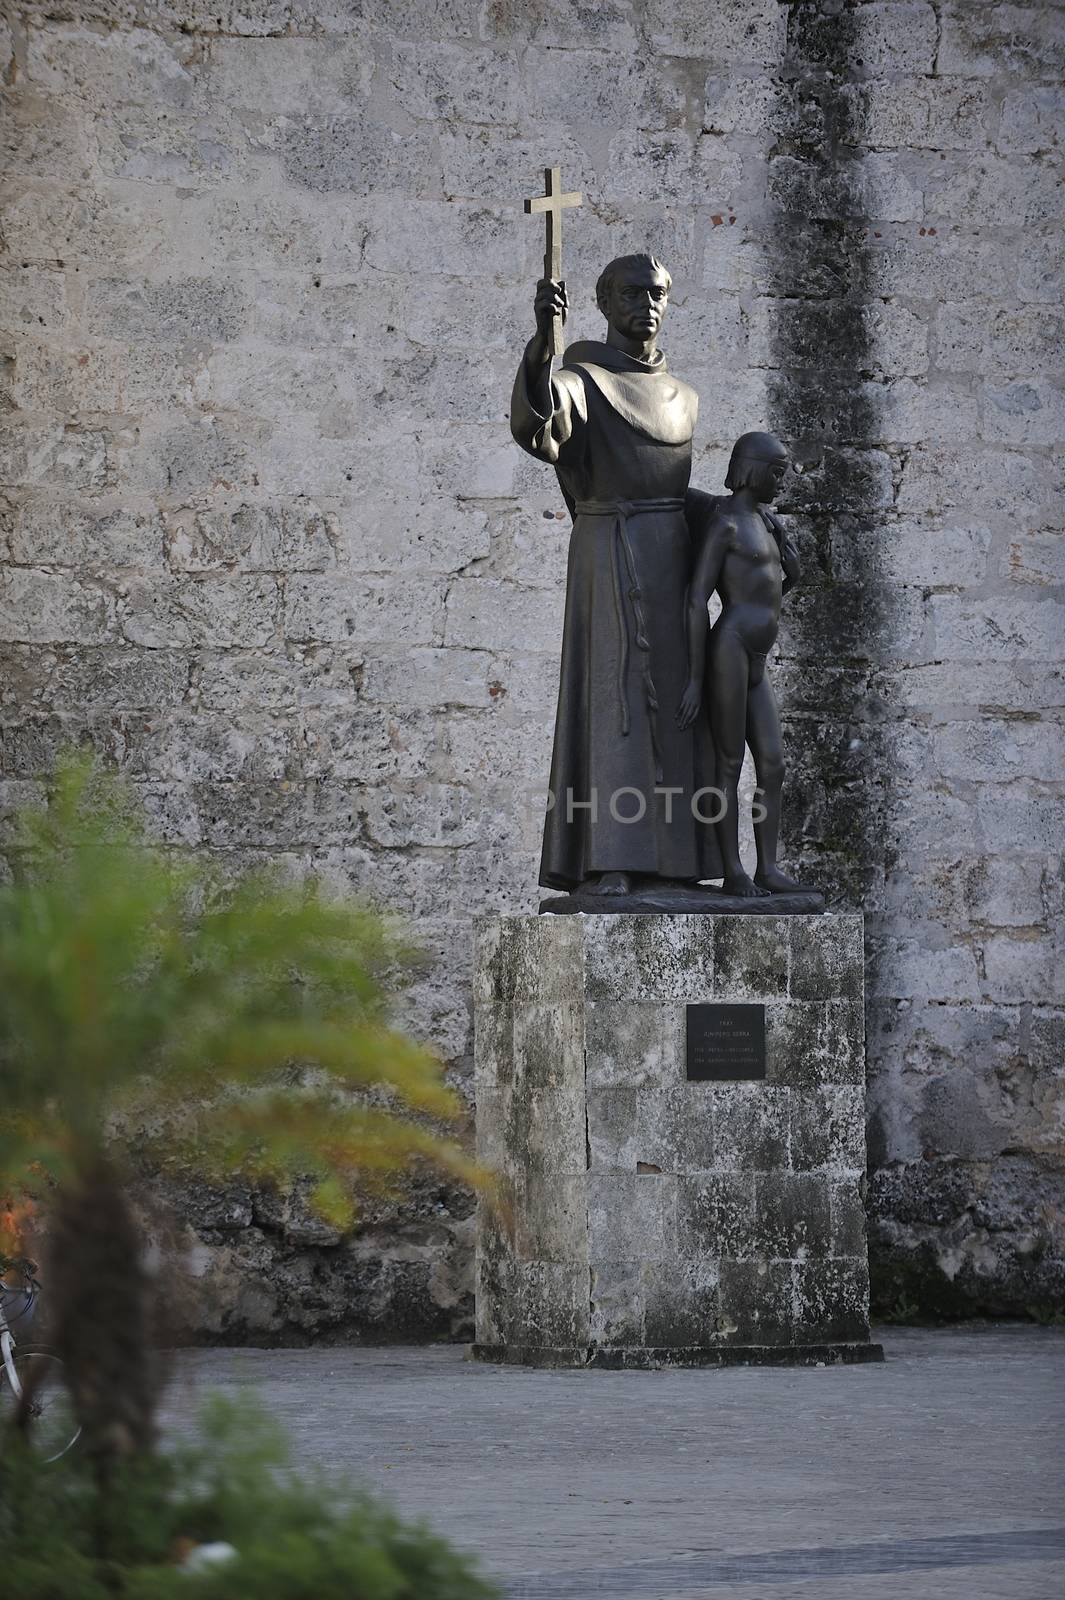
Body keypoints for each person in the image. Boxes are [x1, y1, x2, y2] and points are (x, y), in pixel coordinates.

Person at [511, 255, 721, 897]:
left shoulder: (685, 396)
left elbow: (676, 490)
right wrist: (544, 348)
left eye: (656, 292)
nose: (646, 304)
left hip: (674, 563)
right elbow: (544, 423)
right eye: (632, 293)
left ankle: (683, 863)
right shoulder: (585, 377)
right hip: (610, 554)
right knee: (615, 704)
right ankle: (612, 857)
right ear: (605, 303)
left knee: (681, 710)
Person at [677, 431, 805, 898]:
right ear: (751, 469)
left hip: (757, 657)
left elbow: (770, 589)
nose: (781, 482)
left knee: (773, 762)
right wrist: (694, 678)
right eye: (776, 472)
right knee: (729, 763)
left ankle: (768, 867)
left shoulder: (769, 525)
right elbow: (696, 600)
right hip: (728, 648)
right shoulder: (725, 523)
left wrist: (793, 569)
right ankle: (734, 871)